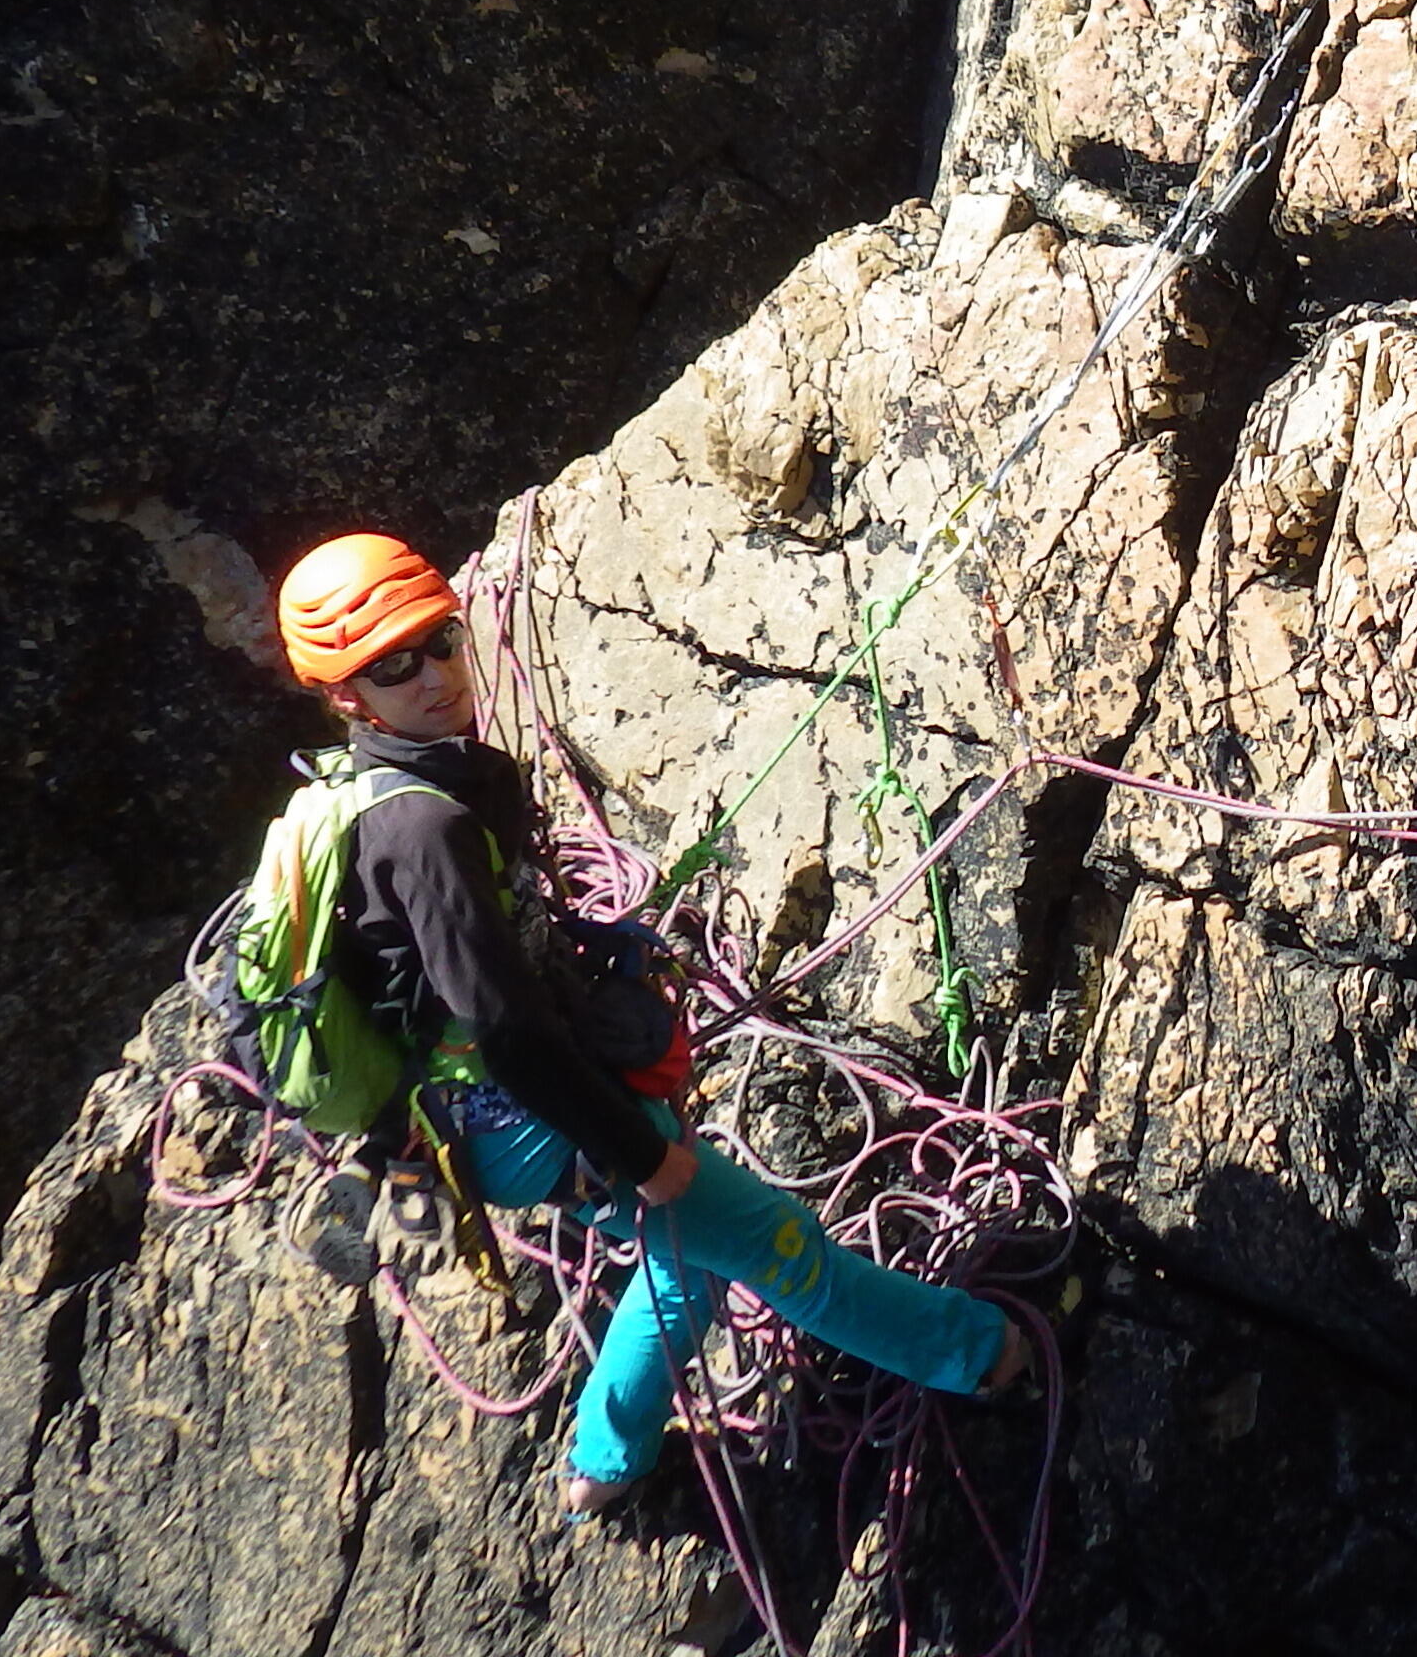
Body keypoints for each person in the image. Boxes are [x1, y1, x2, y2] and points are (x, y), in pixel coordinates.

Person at [273, 531, 1022, 1515]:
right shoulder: (424, 828)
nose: (436, 676)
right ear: (345, 696)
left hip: (462, 1111)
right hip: (521, 1116)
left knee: (688, 1255)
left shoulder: (387, 786)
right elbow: (506, 1032)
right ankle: (985, 1356)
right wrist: (637, 1153)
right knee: (775, 1240)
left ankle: (604, 1462)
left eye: (442, 641)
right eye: (393, 667)